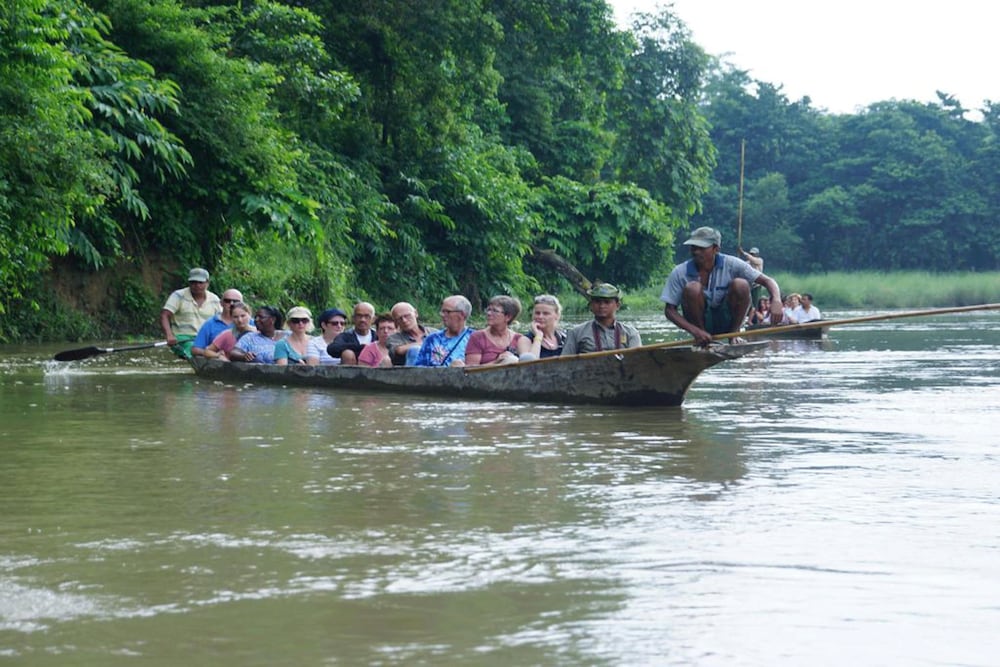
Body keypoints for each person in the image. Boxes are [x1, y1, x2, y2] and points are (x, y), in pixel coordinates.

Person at [661, 227, 783, 347]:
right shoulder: (680, 272)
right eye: (693, 247)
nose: (696, 252)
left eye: (702, 248)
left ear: (716, 249)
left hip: (727, 320)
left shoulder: (732, 264)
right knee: (692, 288)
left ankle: (733, 335)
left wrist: (776, 300)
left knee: (741, 284)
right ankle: (703, 339)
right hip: (699, 324)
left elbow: (768, 281)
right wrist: (695, 331)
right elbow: (670, 310)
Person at [561, 283, 641, 355]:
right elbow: (564, 362)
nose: (602, 306)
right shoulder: (576, 333)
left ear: (617, 305)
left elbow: (638, 361)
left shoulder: (631, 333)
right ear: (591, 305)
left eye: (607, 302)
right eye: (597, 302)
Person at [159, 267, 221, 358]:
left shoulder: (214, 300)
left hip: (206, 339)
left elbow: (221, 320)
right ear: (189, 283)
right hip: (183, 339)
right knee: (193, 349)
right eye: (193, 282)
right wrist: (169, 335)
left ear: (207, 283)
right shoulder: (178, 296)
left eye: (200, 282)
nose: (197, 285)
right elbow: (165, 315)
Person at [412, 295, 474, 367]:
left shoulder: (475, 338)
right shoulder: (432, 339)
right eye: (442, 311)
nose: (442, 315)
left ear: (462, 314)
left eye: (447, 312)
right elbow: (418, 369)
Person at [465, 295, 526, 366]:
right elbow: (470, 369)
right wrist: (496, 362)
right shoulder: (477, 337)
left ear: (508, 317)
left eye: (495, 311)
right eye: (488, 310)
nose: (489, 313)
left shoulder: (519, 339)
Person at [191, 288, 244, 357]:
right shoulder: (210, 323)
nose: (231, 304)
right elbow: (195, 349)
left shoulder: (250, 322)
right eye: (227, 301)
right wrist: (214, 354)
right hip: (218, 360)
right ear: (221, 303)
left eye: (236, 301)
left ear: (242, 304)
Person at [386, 302, 438, 366]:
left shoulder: (434, 332)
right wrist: (430, 343)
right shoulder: (393, 338)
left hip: (438, 368)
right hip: (408, 370)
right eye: (399, 319)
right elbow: (399, 350)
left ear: (416, 313)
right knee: (414, 350)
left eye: (407, 316)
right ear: (395, 322)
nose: (404, 320)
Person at [328, 301, 376, 365]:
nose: (362, 319)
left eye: (367, 316)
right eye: (359, 316)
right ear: (353, 318)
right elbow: (332, 349)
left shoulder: (378, 336)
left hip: (376, 369)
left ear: (373, 319)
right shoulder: (346, 336)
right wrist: (362, 347)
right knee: (347, 354)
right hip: (351, 368)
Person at [521, 294, 567, 360]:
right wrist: (538, 336)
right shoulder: (525, 340)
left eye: (546, 313)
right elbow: (530, 363)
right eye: (537, 313)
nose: (540, 317)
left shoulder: (565, 338)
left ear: (557, 316)